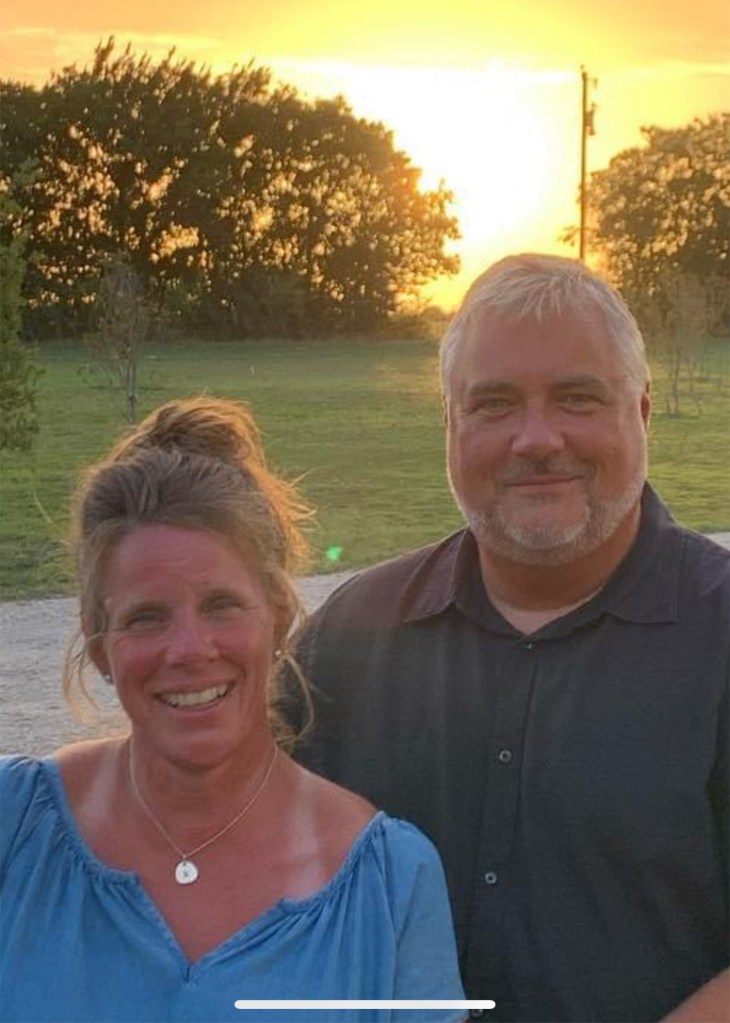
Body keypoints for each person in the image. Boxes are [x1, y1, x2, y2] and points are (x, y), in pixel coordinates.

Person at [289, 255, 729, 1023]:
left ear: (643, 411)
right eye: (493, 403)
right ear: (449, 425)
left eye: (576, 397)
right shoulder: (350, 638)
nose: (536, 438)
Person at [0, 397, 467, 1023]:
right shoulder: (16, 827)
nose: (190, 650)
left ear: (278, 617)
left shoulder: (391, 886)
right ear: (100, 646)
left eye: (221, 605)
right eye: (146, 617)